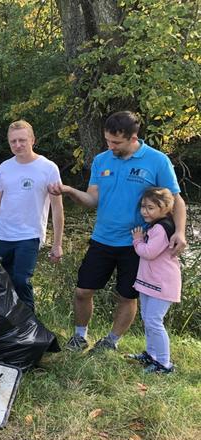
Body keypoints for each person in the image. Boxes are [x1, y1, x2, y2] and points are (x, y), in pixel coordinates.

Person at [48, 111, 187, 353]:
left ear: (134, 138)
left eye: (116, 143)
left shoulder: (157, 160)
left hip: (137, 243)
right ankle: (80, 337)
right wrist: (69, 190)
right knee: (83, 291)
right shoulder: (102, 160)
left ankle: (111, 341)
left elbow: (177, 201)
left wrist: (180, 232)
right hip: (102, 239)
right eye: (108, 141)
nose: (110, 146)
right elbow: (93, 200)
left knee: (126, 296)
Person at [0, 120, 64, 311]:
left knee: (21, 280)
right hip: (2, 235)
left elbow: (57, 208)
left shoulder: (48, 168)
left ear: (32, 140)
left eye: (22, 140)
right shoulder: (4, 168)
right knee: (3, 281)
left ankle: (29, 325)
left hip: (30, 235)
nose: (17, 145)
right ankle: (8, 324)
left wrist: (57, 244)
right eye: (13, 142)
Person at [128, 188, 180, 373]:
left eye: (150, 207)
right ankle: (151, 355)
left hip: (162, 283)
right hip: (150, 281)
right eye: (143, 206)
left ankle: (164, 364)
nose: (144, 211)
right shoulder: (157, 225)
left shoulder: (161, 227)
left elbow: (148, 252)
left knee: (154, 321)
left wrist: (137, 240)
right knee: (148, 319)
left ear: (165, 208)